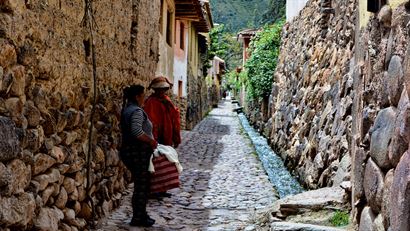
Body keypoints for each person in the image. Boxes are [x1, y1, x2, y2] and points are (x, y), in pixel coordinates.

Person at [119, 84, 157, 227]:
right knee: (142, 186)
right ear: (137, 96)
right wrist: (151, 141)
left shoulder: (128, 109)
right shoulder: (136, 111)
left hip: (131, 151)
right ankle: (138, 217)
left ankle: (141, 214)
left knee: (141, 185)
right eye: (143, 95)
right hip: (137, 151)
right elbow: (137, 131)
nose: (144, 98)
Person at [144, 76, 181, 197]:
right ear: (155, 90)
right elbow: (150, 120)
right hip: (155, 137)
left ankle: (163, 188)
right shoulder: (151, 102)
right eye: (159, 89)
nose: (162, 91)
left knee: (165, 162)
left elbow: (174, 118)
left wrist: (176, 136)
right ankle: (154, 190)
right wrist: (152, 139)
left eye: (164, 89)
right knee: (155, 163)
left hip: (166, 136)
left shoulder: (166, 100)